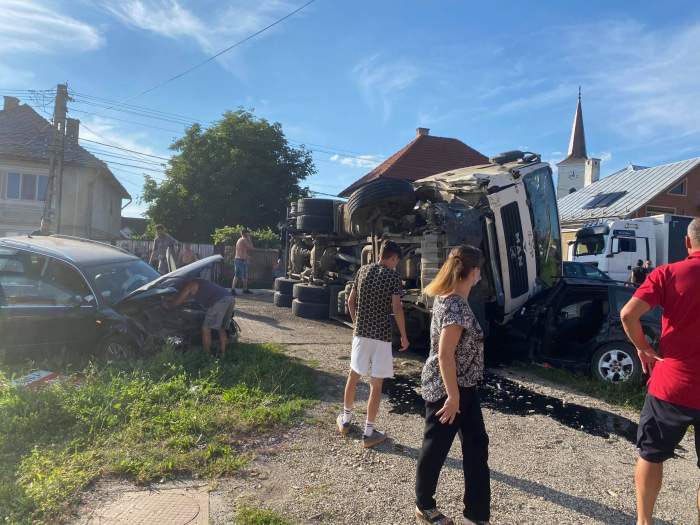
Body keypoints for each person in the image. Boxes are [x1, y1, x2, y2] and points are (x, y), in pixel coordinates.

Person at [620, 217, 700, 525]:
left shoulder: (667, 273)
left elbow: (628, 314)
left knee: (651, 455)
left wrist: (644, 349)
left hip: (672, 386)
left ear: (687, 242)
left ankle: (644, 521)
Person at [415, 245, 490, 525]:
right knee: (436, 448)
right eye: (479, 268)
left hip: (464, 388)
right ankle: (424, 505)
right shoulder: (456, 305)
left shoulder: (451, 299)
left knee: (476, 447)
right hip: (449, 391)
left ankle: (477, 514)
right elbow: (445, 355)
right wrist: (453, 398)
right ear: (472, 272)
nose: (480, 273)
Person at [337, 240, 409, 448]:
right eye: (396, 260)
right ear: (393, 258)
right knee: (376, 384)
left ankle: (346, 421)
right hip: (382, 337)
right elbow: (397, 308)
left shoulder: (363, 271)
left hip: (361, 333)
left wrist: (356, 323)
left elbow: (351, 302)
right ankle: (369, 433)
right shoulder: (394, 277)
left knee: (353, 375)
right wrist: (404, 335)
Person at [166, 278, 235, 357]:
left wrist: (169, 306)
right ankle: (224, 354)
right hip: (230, 298)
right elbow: (186, 298)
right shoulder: (201, 283)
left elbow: (179, 300)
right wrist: (170, 298)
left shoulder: (190, 285)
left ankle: (206, 355)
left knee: (206, 329)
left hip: (219, 301)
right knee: (221, 328)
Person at [232, 229, 254, 295]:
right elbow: (251, 247)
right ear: (245, 234)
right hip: (241, 260)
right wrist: (249, 240)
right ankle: (243, 289)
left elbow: (242, 250)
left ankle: (236, 289)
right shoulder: (244, 240)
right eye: (248, 234)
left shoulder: (239, 240)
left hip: (238, 259)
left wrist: (247, 256)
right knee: (242, 275)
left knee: (239, 276)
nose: (249, 235)